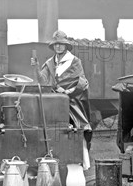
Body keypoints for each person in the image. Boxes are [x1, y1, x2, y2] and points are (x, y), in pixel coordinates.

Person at [31, 30, 92, 167]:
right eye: (56, 44)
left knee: (77, 129)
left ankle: (79, 163)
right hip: (54, 103)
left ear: (66, 46)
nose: (58, 47)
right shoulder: (49, 63)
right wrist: (35, 67)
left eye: (61, 44)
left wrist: (67, 91)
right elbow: (42, 81)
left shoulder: (75, 61)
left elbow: (82, 82)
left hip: (71, 103)